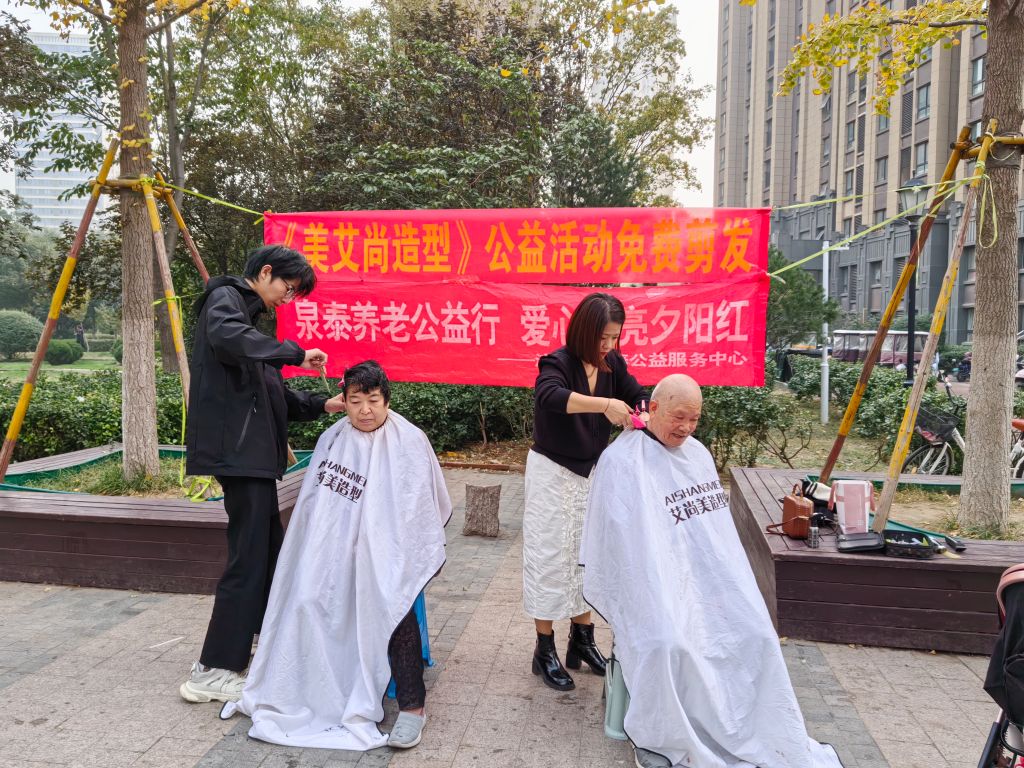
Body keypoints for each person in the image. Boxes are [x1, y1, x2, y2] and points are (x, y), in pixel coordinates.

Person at [581, 374, 844, 768]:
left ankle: (759, 731)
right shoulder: (621, 461)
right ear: (653, 408)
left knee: (756, 633)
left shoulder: (698, 455)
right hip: (654, 588)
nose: (686, 428)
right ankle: (670, 736)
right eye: (678, 418)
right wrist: (666, 588)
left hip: (708, 582)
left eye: (694, 419)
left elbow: (716, 543)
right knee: (669, 644)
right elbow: (623, 550)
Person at [222, 361, 452, 751]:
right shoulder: (332, 439)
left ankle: (413, 708)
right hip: (333, 552)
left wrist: (375, 549)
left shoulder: (409, 441)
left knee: (393, 605)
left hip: (390, 554)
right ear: (342, 401)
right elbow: (317, 513)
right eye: (355, 401)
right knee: (307, 599)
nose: (365, 410)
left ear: (387, 400)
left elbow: (416, 509)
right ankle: (318, 692)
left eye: (373, 400)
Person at [180, 244, 347, 704]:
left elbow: (274, 395)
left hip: (251, 458)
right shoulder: (226, 299)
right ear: (266, 272)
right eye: (288, 289)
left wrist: (325, 404)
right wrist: (294, 352)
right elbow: (229, 338)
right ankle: (213, 668)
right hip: (239, 456)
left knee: (270, 555)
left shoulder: (249, 326)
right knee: (248, 561)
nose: (287, 299)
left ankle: (265, 645)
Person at [524, 292, 645, 691]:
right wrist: (604, 404)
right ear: (583, 332)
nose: (608, 345)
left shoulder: (614, 365)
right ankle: (544, 649)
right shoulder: (557, 363)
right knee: (549, 557)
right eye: (602, 337)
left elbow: (636, 392)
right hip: (552, 473)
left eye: (614, 337)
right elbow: (549, 396)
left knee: (586, 556)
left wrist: (644, 407)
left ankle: (582, 639)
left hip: (592, 475)